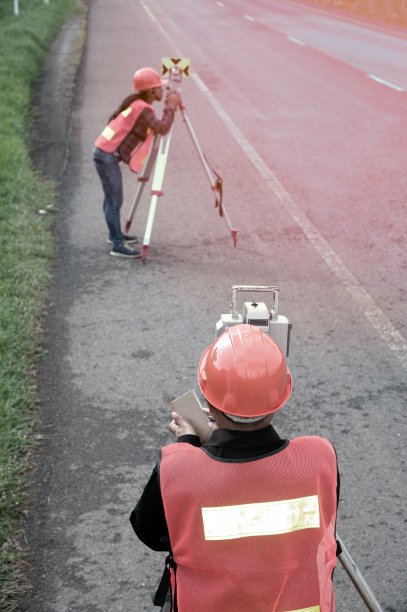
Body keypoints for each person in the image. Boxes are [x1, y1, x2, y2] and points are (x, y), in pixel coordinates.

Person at [130, 324, 340, 611]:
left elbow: (152, 534)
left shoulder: (178, 468)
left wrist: (191, 448)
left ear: (208, 402)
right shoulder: (318, 457)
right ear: (278, 400)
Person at [92, 67, 181, 258]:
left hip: (103, 152)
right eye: (159, 87)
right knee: (114, 201)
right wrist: (171, 106)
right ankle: (117, 244)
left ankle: (115, 234)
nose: (162, 91)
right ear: (150, 91)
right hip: (106, 155)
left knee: (111, 199)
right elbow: (162, 128)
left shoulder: (137, 104)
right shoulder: (143, 109)